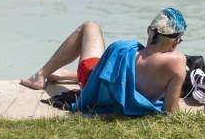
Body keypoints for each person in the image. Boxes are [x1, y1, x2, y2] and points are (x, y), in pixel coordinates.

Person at [20, 8, 188, 115]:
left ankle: (41, 75)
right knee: (102, 62)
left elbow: (107, 73)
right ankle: (55, 75)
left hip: (91, 80)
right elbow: (170, 111)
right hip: (102, 78)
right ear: (175, 42)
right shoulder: (177, 63)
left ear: (149, 32)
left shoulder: (123, 49)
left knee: (90, 26)